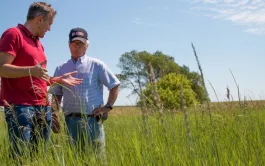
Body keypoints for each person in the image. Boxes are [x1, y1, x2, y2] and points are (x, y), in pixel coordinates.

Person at [0, 2, 82, 156]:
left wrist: (57, 80)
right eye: (49, 23)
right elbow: (2, 68)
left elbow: (38, 77)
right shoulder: (13, 34)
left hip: (43, 107)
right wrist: (32, 70)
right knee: (21, 157)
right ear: (39, 19)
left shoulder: (39, 44)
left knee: (39, 156)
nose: (49, 28)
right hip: (20, 107)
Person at [50, 27, 120, 158]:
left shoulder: (97, 65)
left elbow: (115, 85)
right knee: (75, 158)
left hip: (92, 120)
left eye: (81, 43)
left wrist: (107, 107)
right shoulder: (61, 68)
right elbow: (56, 95)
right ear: (68, 44)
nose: (77, 46)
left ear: (87, 45)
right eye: (74, 43)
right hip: (70, 121)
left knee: (96, 158)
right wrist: (54, 116)